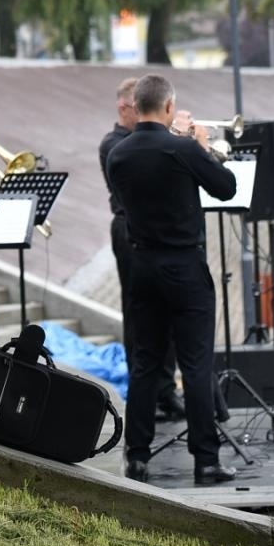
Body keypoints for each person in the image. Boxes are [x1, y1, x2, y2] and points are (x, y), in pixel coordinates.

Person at [105, 74, 238, 485]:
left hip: (142, 266)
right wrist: (200, 147)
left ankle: (138, 456)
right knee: (196, 364)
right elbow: (226, 188)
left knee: (145, 363)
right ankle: (206, 461)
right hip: (183, 266)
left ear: (137, 105)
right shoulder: (182, 148)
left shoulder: (119, 154)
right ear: (167, 108)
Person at [98, 76, 184, 423]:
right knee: (139, 315)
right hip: (130, 229)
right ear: (124, 108)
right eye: (141, 108)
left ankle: (167, 389)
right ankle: (147, 392)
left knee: (169, 311)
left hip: (158, 232)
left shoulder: (143, 139)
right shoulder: (114, 144)